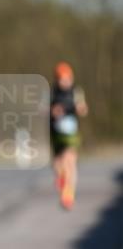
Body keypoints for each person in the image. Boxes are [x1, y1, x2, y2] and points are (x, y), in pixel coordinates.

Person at [50, 62, 88, 211]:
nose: (65, 82)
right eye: (62, 79)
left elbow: (83, 109)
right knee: (57, 163)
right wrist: (53, 111)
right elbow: (42, 110)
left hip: (71, 132)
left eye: (67, 79)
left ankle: (68, 193)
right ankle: (63, 180)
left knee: (69, 159)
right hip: (56, 132)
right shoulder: (52, 93)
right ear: (57, 79)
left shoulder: (76, 91)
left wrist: (78, 108)